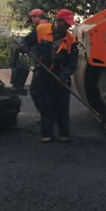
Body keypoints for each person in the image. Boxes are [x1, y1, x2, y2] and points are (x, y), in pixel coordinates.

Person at [19, 8, 78, 143]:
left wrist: (63, 77)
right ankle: (47, 134)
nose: (68, 26)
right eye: (65, 23)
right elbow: (26, 40)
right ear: (57, 21)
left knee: (63, 106)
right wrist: (23, 46)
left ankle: (64, 134)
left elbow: (72, 64)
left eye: (69, 24)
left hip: (61, 76)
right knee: (46, 105)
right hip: (44, 74)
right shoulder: (41, 30)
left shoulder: (71, 39)